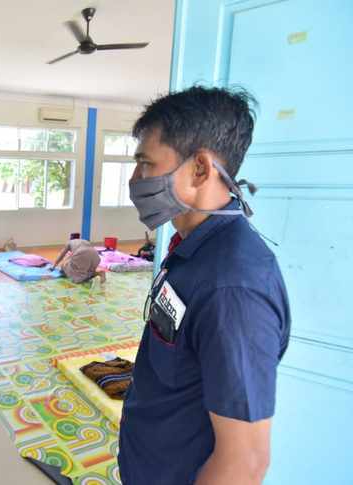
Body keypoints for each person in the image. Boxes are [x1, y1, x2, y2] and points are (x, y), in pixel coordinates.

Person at [119, 86, 291, 485]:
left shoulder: (233, 289)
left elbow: (244, 463)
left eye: (145, 164)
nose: (135, 180)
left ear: (199, 169)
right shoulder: (192, 247)